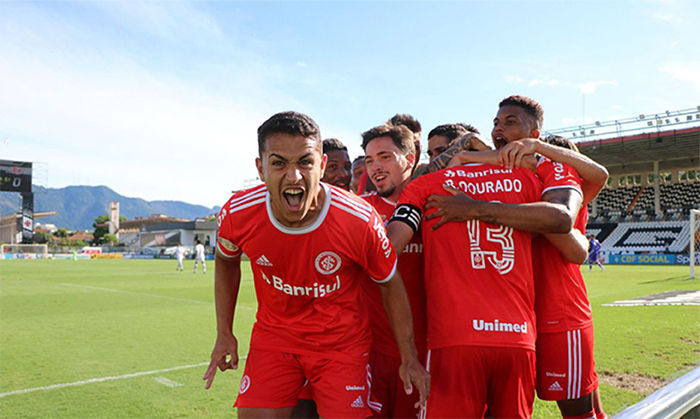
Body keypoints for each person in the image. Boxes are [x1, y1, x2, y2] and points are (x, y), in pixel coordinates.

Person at [203, 111, 429, 419]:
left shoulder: (358, 219)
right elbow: (226, 260)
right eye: (279, 162)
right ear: (260, 168)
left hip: (341, 346)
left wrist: (409, 357)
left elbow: (389, 281)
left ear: (320, 165)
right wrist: (224, 332)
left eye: (305, 162)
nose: (293, 176)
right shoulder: (238, 214)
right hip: (275, 339)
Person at [428, 96, 608, 419]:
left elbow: (571, 234)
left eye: (510, 122)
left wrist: (494, 207)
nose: (499, 128)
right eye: (496, 123)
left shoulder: (556, 170)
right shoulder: (496, 173)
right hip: (510, 321)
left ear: (534, 135)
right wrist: (468, 149)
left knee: (581, 412)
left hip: (558, 316)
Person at [387, 154, 571, 418]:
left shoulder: (426, 185)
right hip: (517, 337)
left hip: (454, 339)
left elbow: (390, 250)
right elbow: (563, 217)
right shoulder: (527, 180)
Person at [360, 124, 427, 418]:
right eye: (369, 160)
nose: (375, 167)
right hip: (368, 352)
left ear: (409, 159)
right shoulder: (360, 211)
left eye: (385, 157)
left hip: (425, 351)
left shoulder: (438, 206)